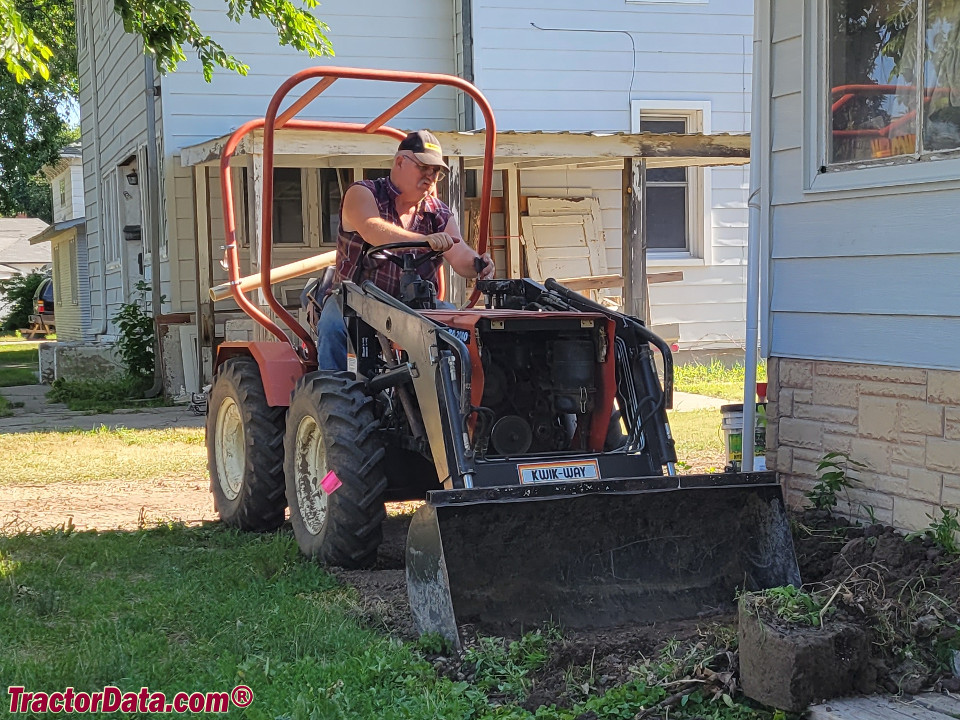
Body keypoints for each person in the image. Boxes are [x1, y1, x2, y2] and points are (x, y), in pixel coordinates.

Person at [316, 130, 495, 371]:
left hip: (414, 305)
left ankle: (457, 397)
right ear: (400, 161)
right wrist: (425, 240)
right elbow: (373, 230)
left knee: (459, 326)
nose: (430, 176)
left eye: (436, 172)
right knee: (333, 327)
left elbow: (459, 253)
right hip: (355, 302)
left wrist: (478, 264)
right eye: (424, 168)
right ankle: (331, 397)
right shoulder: (362, 193)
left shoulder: (438, 213)